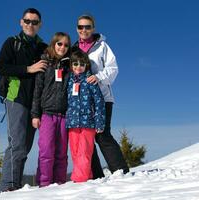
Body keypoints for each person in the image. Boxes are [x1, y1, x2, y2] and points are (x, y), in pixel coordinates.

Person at [0, 8, 48, 192]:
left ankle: (14, 186)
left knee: (25, 147)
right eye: (27, 21)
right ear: (21, 22)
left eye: (34, 22)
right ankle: (7, 187)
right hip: (15, 98)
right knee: (16, 143)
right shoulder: (12, 43)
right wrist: (28, 69)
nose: (30, 25)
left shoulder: (43, 47)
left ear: (40, 25)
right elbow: (1, 67)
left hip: (35, 102)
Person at [72, 14, 129, 178]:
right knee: (88, 137)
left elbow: (113, 68)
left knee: (102, 134)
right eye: (81, 27)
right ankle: (95, 175)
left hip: (102, 97)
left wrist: (99, 77)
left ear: (93, 28)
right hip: (82, 101)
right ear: (77, 29)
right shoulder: (74, 49)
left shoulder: (102, 46)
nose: (84, 30)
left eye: (87, 27)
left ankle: (121, 171)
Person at [31, 32, 71, 187]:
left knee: (61, 153)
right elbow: (37, 90)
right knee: (46, 150)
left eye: (66, 45)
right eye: (59, 43)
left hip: (64, 115)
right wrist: (35, 114)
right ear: (54, 44)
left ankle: (60, 183)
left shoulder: (69, 66)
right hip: (47, 114)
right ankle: (44, 184)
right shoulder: (45, 63)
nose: (62, 47)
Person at [66, 50, 105, 182]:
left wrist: (99, 122)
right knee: (75, 151)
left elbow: (99, 103)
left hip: (88, 122)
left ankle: (79, 180)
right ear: (71, 65)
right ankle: (86, 176)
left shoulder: (90, 81)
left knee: (84, 151)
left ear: (86, 66)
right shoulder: (69, 82)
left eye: (82, 64)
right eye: (75, 64)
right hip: (72, 123)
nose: (78, 67)